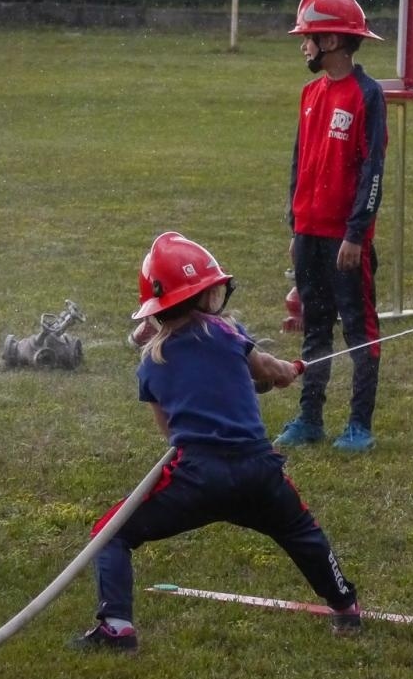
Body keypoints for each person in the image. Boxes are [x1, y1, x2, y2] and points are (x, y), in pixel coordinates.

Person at [72, 231, 362, 651]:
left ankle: (116, 627)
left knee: (110, 533)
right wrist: (285, 370)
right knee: (302, 532)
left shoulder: (151, 366)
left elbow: (171, 435)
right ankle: (346, 607)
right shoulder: (231, 336)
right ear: (209, 296)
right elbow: (270, 372)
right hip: (259, 472)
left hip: (198, 476)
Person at [276, 0, 389, 454]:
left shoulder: (367, 94)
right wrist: (295, 224)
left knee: (358, 329)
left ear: (333, 41)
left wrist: (356, 233)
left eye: (309, 37)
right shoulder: (308, 92)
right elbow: (299, 161)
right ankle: (310, 416)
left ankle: (359, 423)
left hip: (346, 239)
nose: (303, 46)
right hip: (309, 233)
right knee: (315, 324)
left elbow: (372, 171)